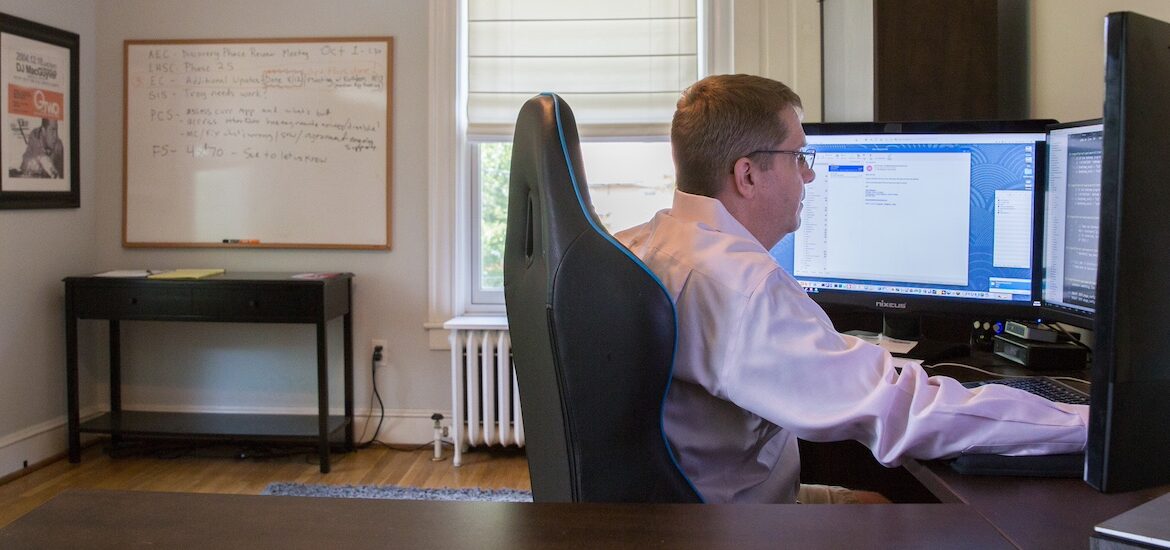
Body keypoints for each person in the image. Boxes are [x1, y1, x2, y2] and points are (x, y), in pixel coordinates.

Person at [615, 74, 1088, 504]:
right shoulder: (742, 289)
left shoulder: (638, 244)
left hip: (693, 503)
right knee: (907, 521)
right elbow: (901, 414)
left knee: (876, 502)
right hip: (732, 525)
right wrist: (1092, 425)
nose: (809, 175)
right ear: (748, 175)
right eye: (798, 157)